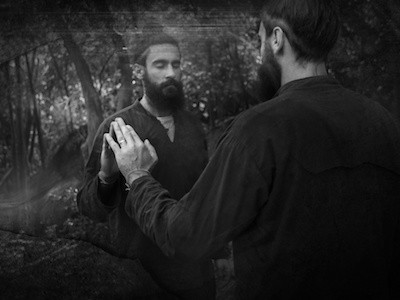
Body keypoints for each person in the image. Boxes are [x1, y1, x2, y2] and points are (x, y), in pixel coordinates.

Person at [105, 0, 400, 298]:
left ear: (276, 39)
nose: (260, 54)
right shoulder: (383, 122)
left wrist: (137, 176)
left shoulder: (257, 129)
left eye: (260, 41)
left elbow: (187, 236)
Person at [76, 32, 216, 299]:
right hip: (139, 278)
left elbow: (204, 193)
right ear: (140, 71)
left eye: (176, 64)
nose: (171, 73)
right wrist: (106, 178)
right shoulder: (116, 127)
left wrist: (215, 249)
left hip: (196, 274)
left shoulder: (193, 126)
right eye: (160, 65)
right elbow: (87, 205)